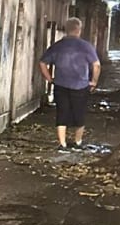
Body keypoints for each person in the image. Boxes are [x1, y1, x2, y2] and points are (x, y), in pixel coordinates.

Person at [38, 17, 101, 149]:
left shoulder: (57, 46)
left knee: (62, 112)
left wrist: (50, 79)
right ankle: (78, 141)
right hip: (81, 85)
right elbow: (96, 65)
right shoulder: (86, 46)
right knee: (80, 113)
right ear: (79, 30)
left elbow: (43, 62)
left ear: (66, 30)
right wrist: (93, 81)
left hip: (60, 84)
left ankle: (62, 143)